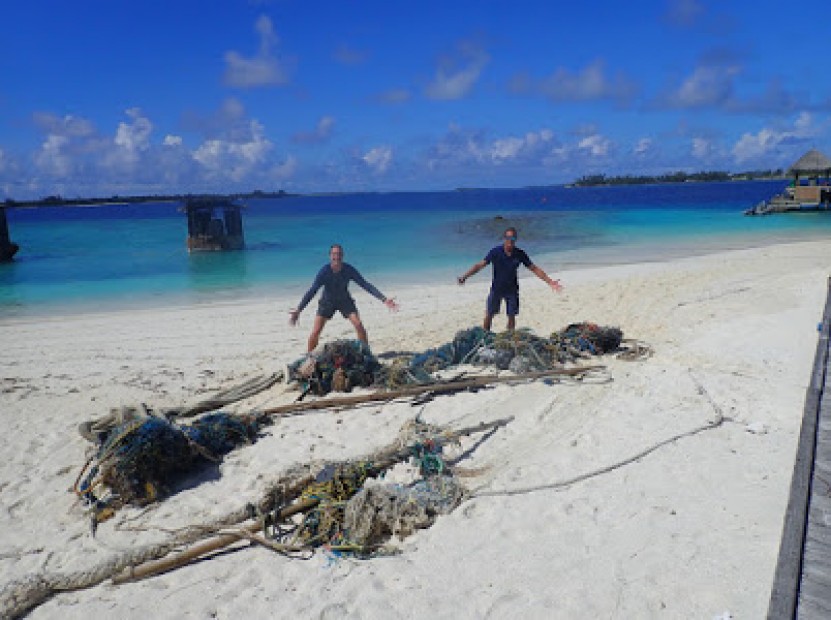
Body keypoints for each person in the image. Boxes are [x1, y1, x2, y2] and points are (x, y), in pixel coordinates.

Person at [290, 244, 399, 352]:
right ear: (330, 256)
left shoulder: (348, 269)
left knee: (359, 325)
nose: (336, 256)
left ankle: (365, 353)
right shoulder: (324, 271)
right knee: (316, 331)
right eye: (334, 254)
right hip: (327, 302)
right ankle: (310, 357)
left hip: (345, 301)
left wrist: (384, 299)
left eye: (339, 254)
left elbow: (365, 284)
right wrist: (299, 309)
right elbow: (313, 290)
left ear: (342, 256)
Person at [457, 227, 562, 331]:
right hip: (497, 289)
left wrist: (550, 281)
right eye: (508, 238)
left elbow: (534, 268)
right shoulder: (495, 252)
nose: (510, 241)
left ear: (515, 239)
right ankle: (484, 336)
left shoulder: (520, 254)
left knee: (511, 316)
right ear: (504, 238)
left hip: (512, 290)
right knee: (489, 314)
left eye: (512, 238)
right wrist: (465, 277)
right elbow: (480, 265)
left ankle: (509, 337)